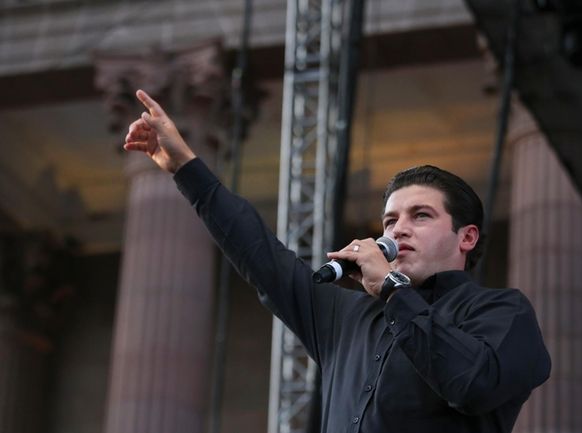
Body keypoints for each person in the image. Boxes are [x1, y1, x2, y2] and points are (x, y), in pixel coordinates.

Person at [124, 89, 550, 433]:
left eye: (420, 216)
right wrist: (184, 166)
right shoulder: (345, 316)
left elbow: (470, 385)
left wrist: (393, 290)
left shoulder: (501, 313)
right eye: (390, 220)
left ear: (466, 236)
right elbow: (261, 255)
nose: (397, 230)